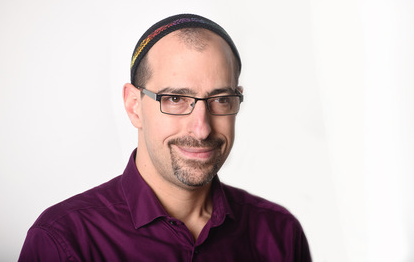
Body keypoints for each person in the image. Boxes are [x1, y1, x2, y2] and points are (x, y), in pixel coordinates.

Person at [19, 14, 312, 261]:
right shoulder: (64, 241)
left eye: (221, 100)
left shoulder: (281, 235)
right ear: (134, 106)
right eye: (175, 99)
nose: (202, 129)